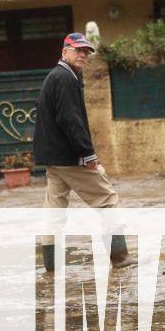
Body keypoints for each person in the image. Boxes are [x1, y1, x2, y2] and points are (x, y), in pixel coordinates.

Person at [32, 32, 133, 271]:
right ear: (64, 51)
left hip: (53, 157)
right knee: (107, 199)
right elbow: (70, 119)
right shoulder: (65, 78)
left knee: (54, 210)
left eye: (86, 52)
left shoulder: (58, 77)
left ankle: (51, 264)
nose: (83, 55)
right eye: (78, 50)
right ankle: (120, 257)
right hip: (68, 156)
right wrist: (87, 153)